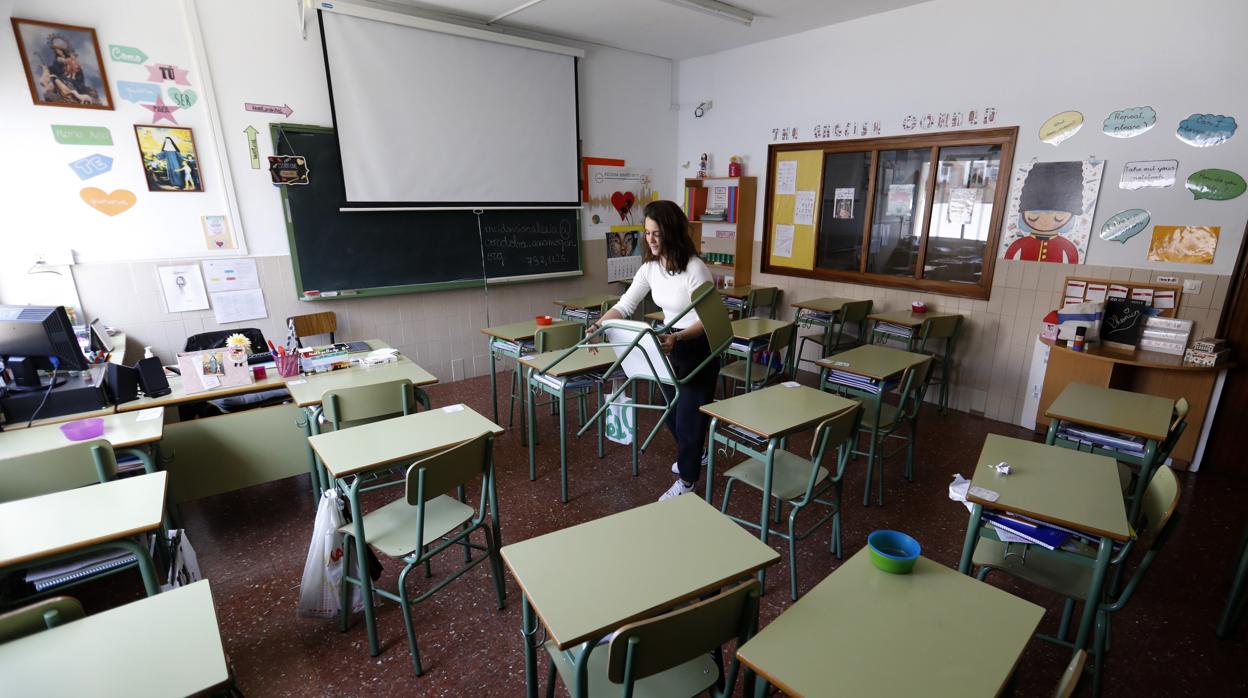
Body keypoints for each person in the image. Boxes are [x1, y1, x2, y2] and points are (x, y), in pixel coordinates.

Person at [589, 200, 718, 501]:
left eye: (657, 233)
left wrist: (680, 337)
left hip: (698, 344)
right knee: (671, 410)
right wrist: (599, 326)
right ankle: (695, 452)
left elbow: (707, 320)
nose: (651, 239)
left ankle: (688, 480)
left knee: (687, 414)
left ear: (672, 232)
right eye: (647, 233)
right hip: (670, 342)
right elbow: (625, 305)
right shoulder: (649, 268)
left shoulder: (696, 269)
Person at [1004, 161, 1084, 263]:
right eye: (1035, 215)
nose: (1045, 221)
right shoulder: (1018, 244)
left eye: (1057, 217)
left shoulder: (1068, 247)